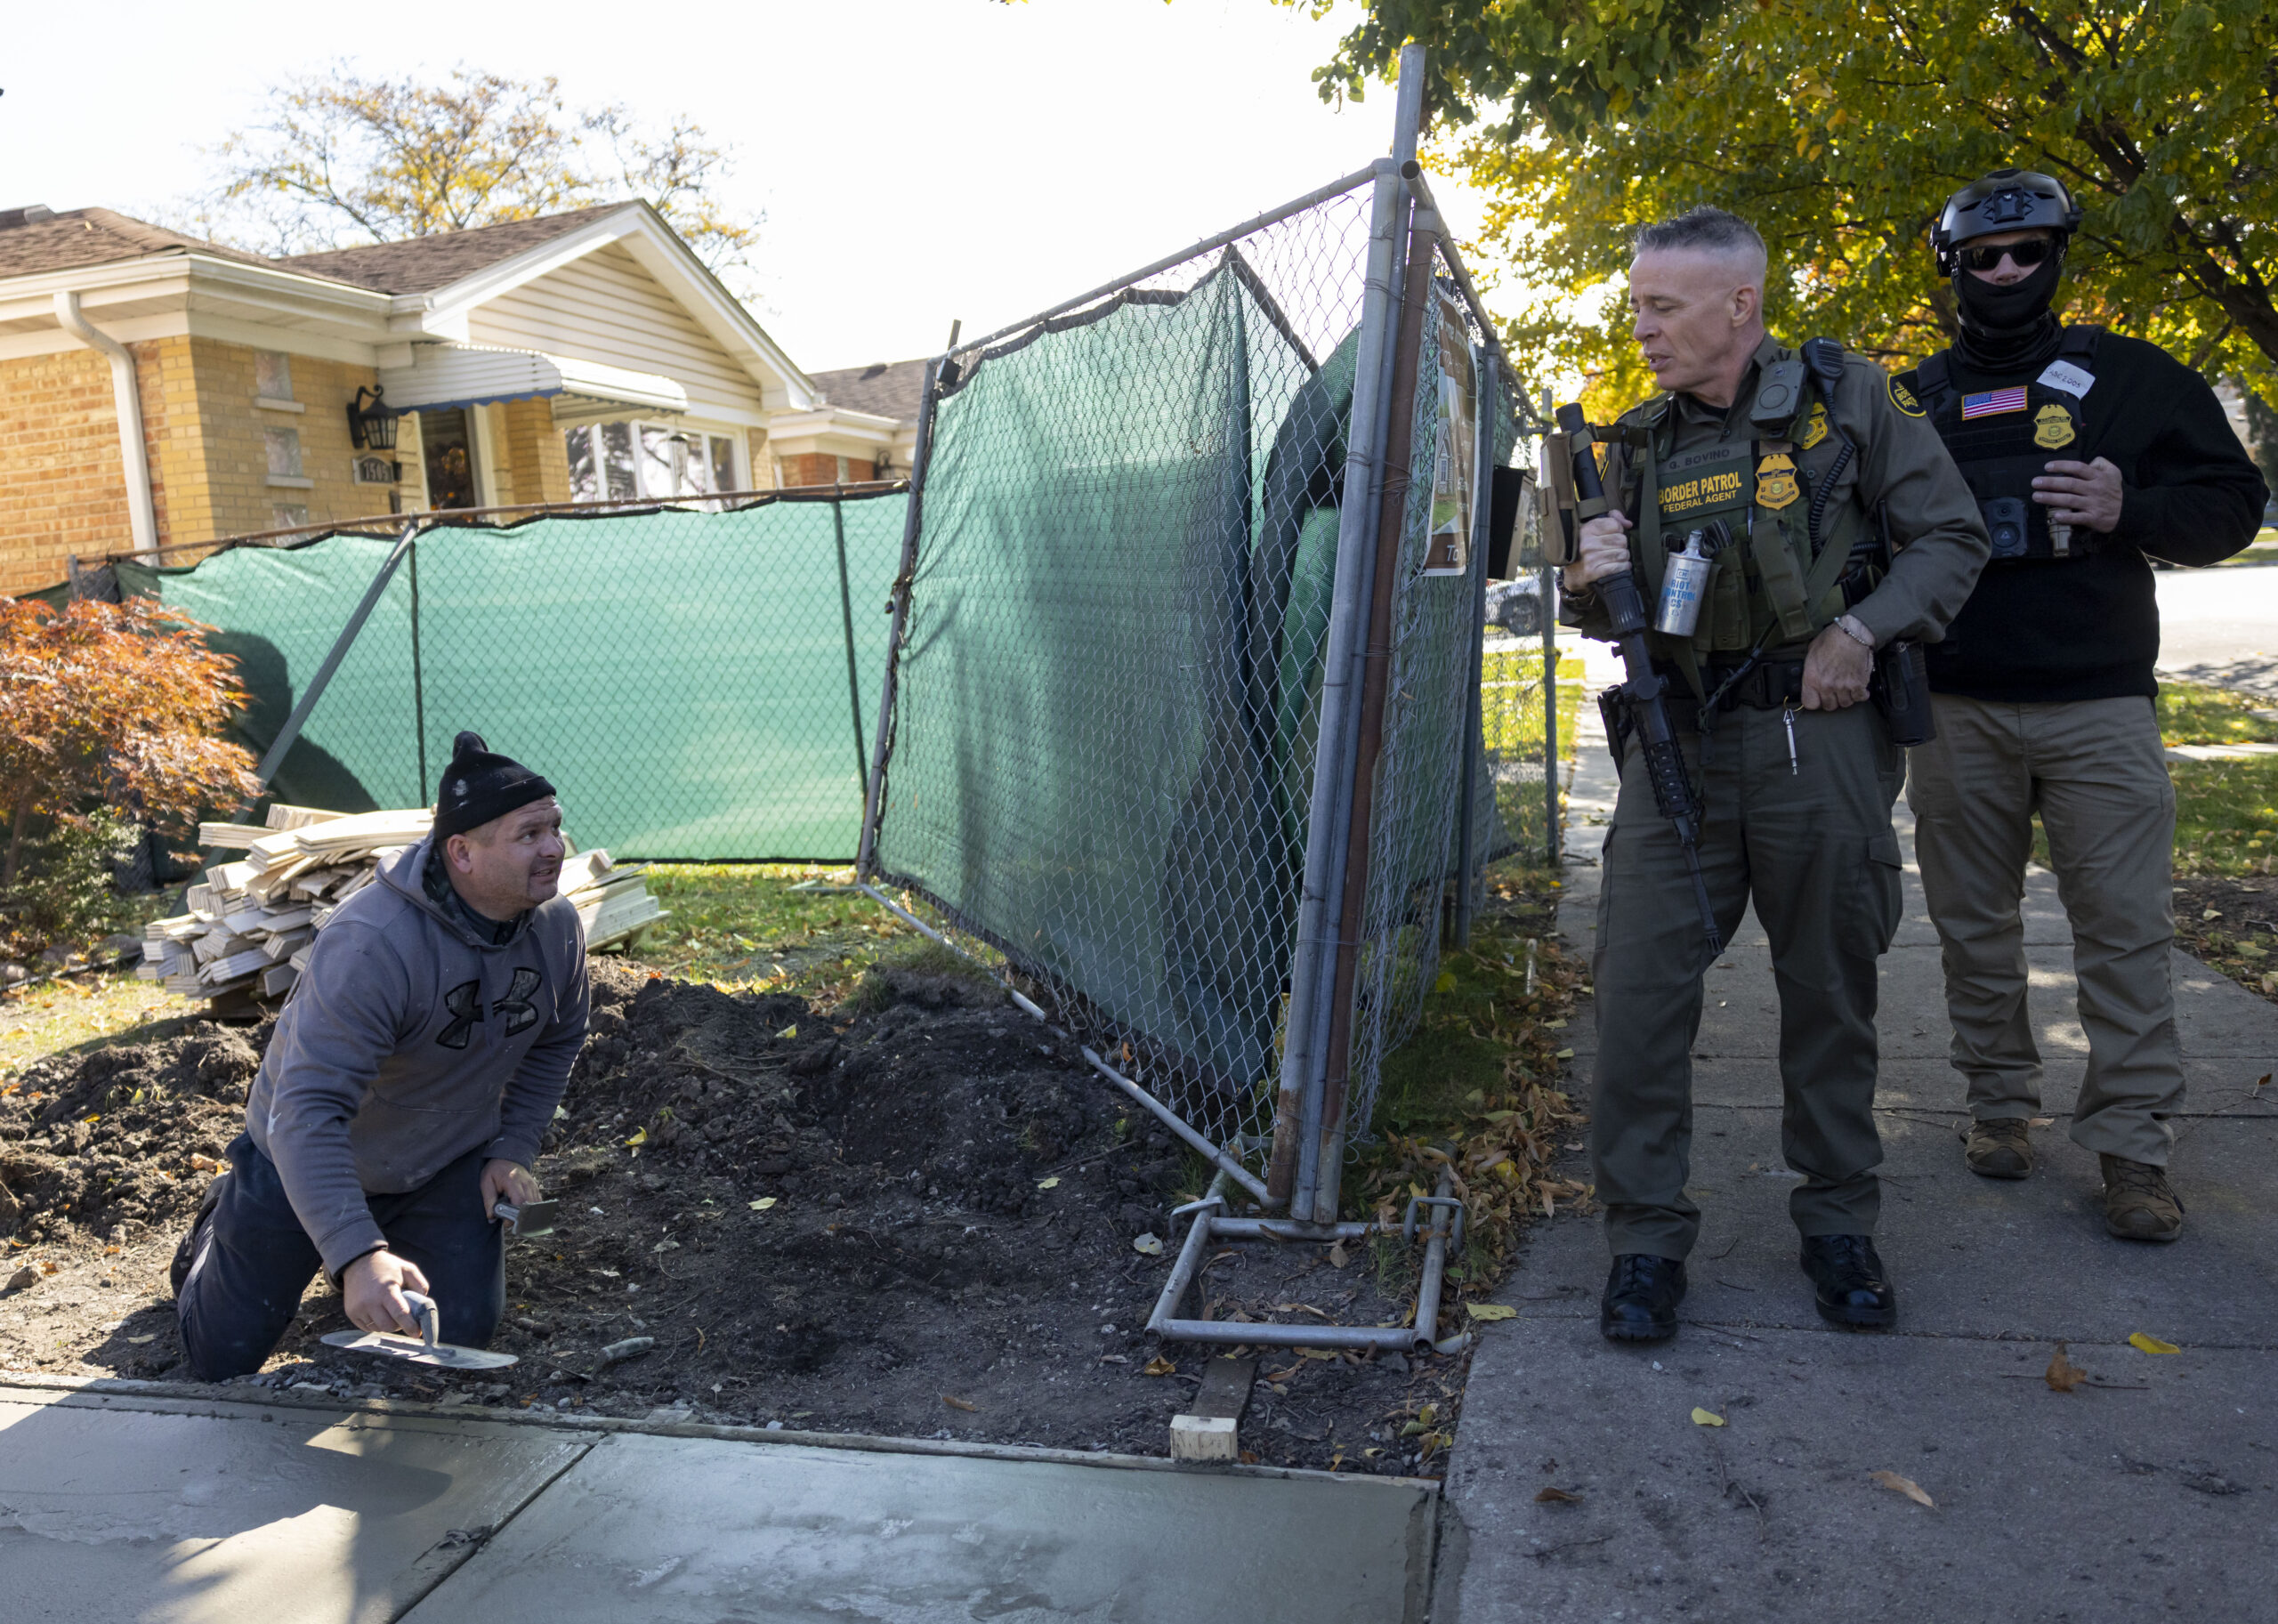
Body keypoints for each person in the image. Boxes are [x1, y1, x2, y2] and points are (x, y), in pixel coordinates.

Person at [1562, 207, 1989, 1342]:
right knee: (1640, 993)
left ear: (1738, 306)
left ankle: (1839, 1222)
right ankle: (1644, 1241)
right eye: (1637, 304)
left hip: (1819, 735)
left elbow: (1951, 538)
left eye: (1662, 306)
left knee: (1829, 992)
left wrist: (1866, 632)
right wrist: (1584, 573)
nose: (1640, 327)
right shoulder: (1636, 442)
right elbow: (1613, 609)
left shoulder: (1850, 401)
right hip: (1678, 744)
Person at [1897, 171, 2268, 1241]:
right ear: (1954, 269)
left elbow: (2231, 504)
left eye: (2026, 251)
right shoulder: (1909, 401)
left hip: (2099, 704)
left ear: (2059, 255)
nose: (2006, 270)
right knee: (1973, 930)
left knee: (2123, 933)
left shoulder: (2133, 379)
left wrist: (2128, 506)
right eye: (1984, 256)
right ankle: (1999, 1107)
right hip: (1958, 705)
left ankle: (2134, 1152)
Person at [173, 732, 590, 1379]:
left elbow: (558, 1037)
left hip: (440, 1159)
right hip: (300, 1157)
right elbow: (306, 1112)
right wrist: (358, 1252)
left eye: (556, 827)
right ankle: (216, 1227)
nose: (555, 848)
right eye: (529, 833)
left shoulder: (557, 928)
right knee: (221, 1357)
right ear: (463, 853)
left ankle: (371, 1246)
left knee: (461, 1336)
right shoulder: (374, 945)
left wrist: (511, 1148)